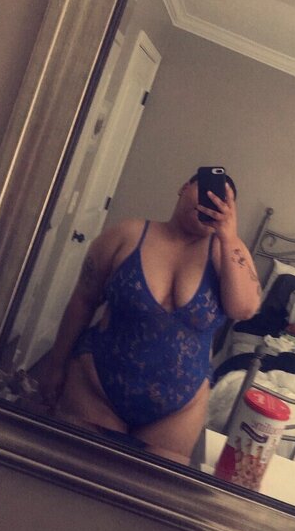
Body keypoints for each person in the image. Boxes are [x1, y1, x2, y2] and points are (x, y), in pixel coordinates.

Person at [39, 171, 261, 463]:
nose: (210, 203)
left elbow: (244, 309)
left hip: (177, 412)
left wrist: (228, 237)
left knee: (146, 489)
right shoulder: (126, 234)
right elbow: (83, 301)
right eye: (205, 192)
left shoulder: (228, 252)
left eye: (222, 201)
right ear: (183, 187)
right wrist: (56, 365)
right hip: (96, 389)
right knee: (67, 473)